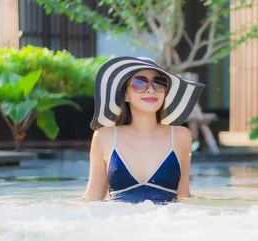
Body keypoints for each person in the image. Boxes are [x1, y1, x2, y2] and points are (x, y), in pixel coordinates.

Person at [82, 56, 205, 204]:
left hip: (168, 223)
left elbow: (184, 196)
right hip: (118, 223)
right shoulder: (104, 137)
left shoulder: (181, 136)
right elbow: (92, 199)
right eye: (139, 83)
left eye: (159, 83)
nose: (151, 90)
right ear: (126, 95)